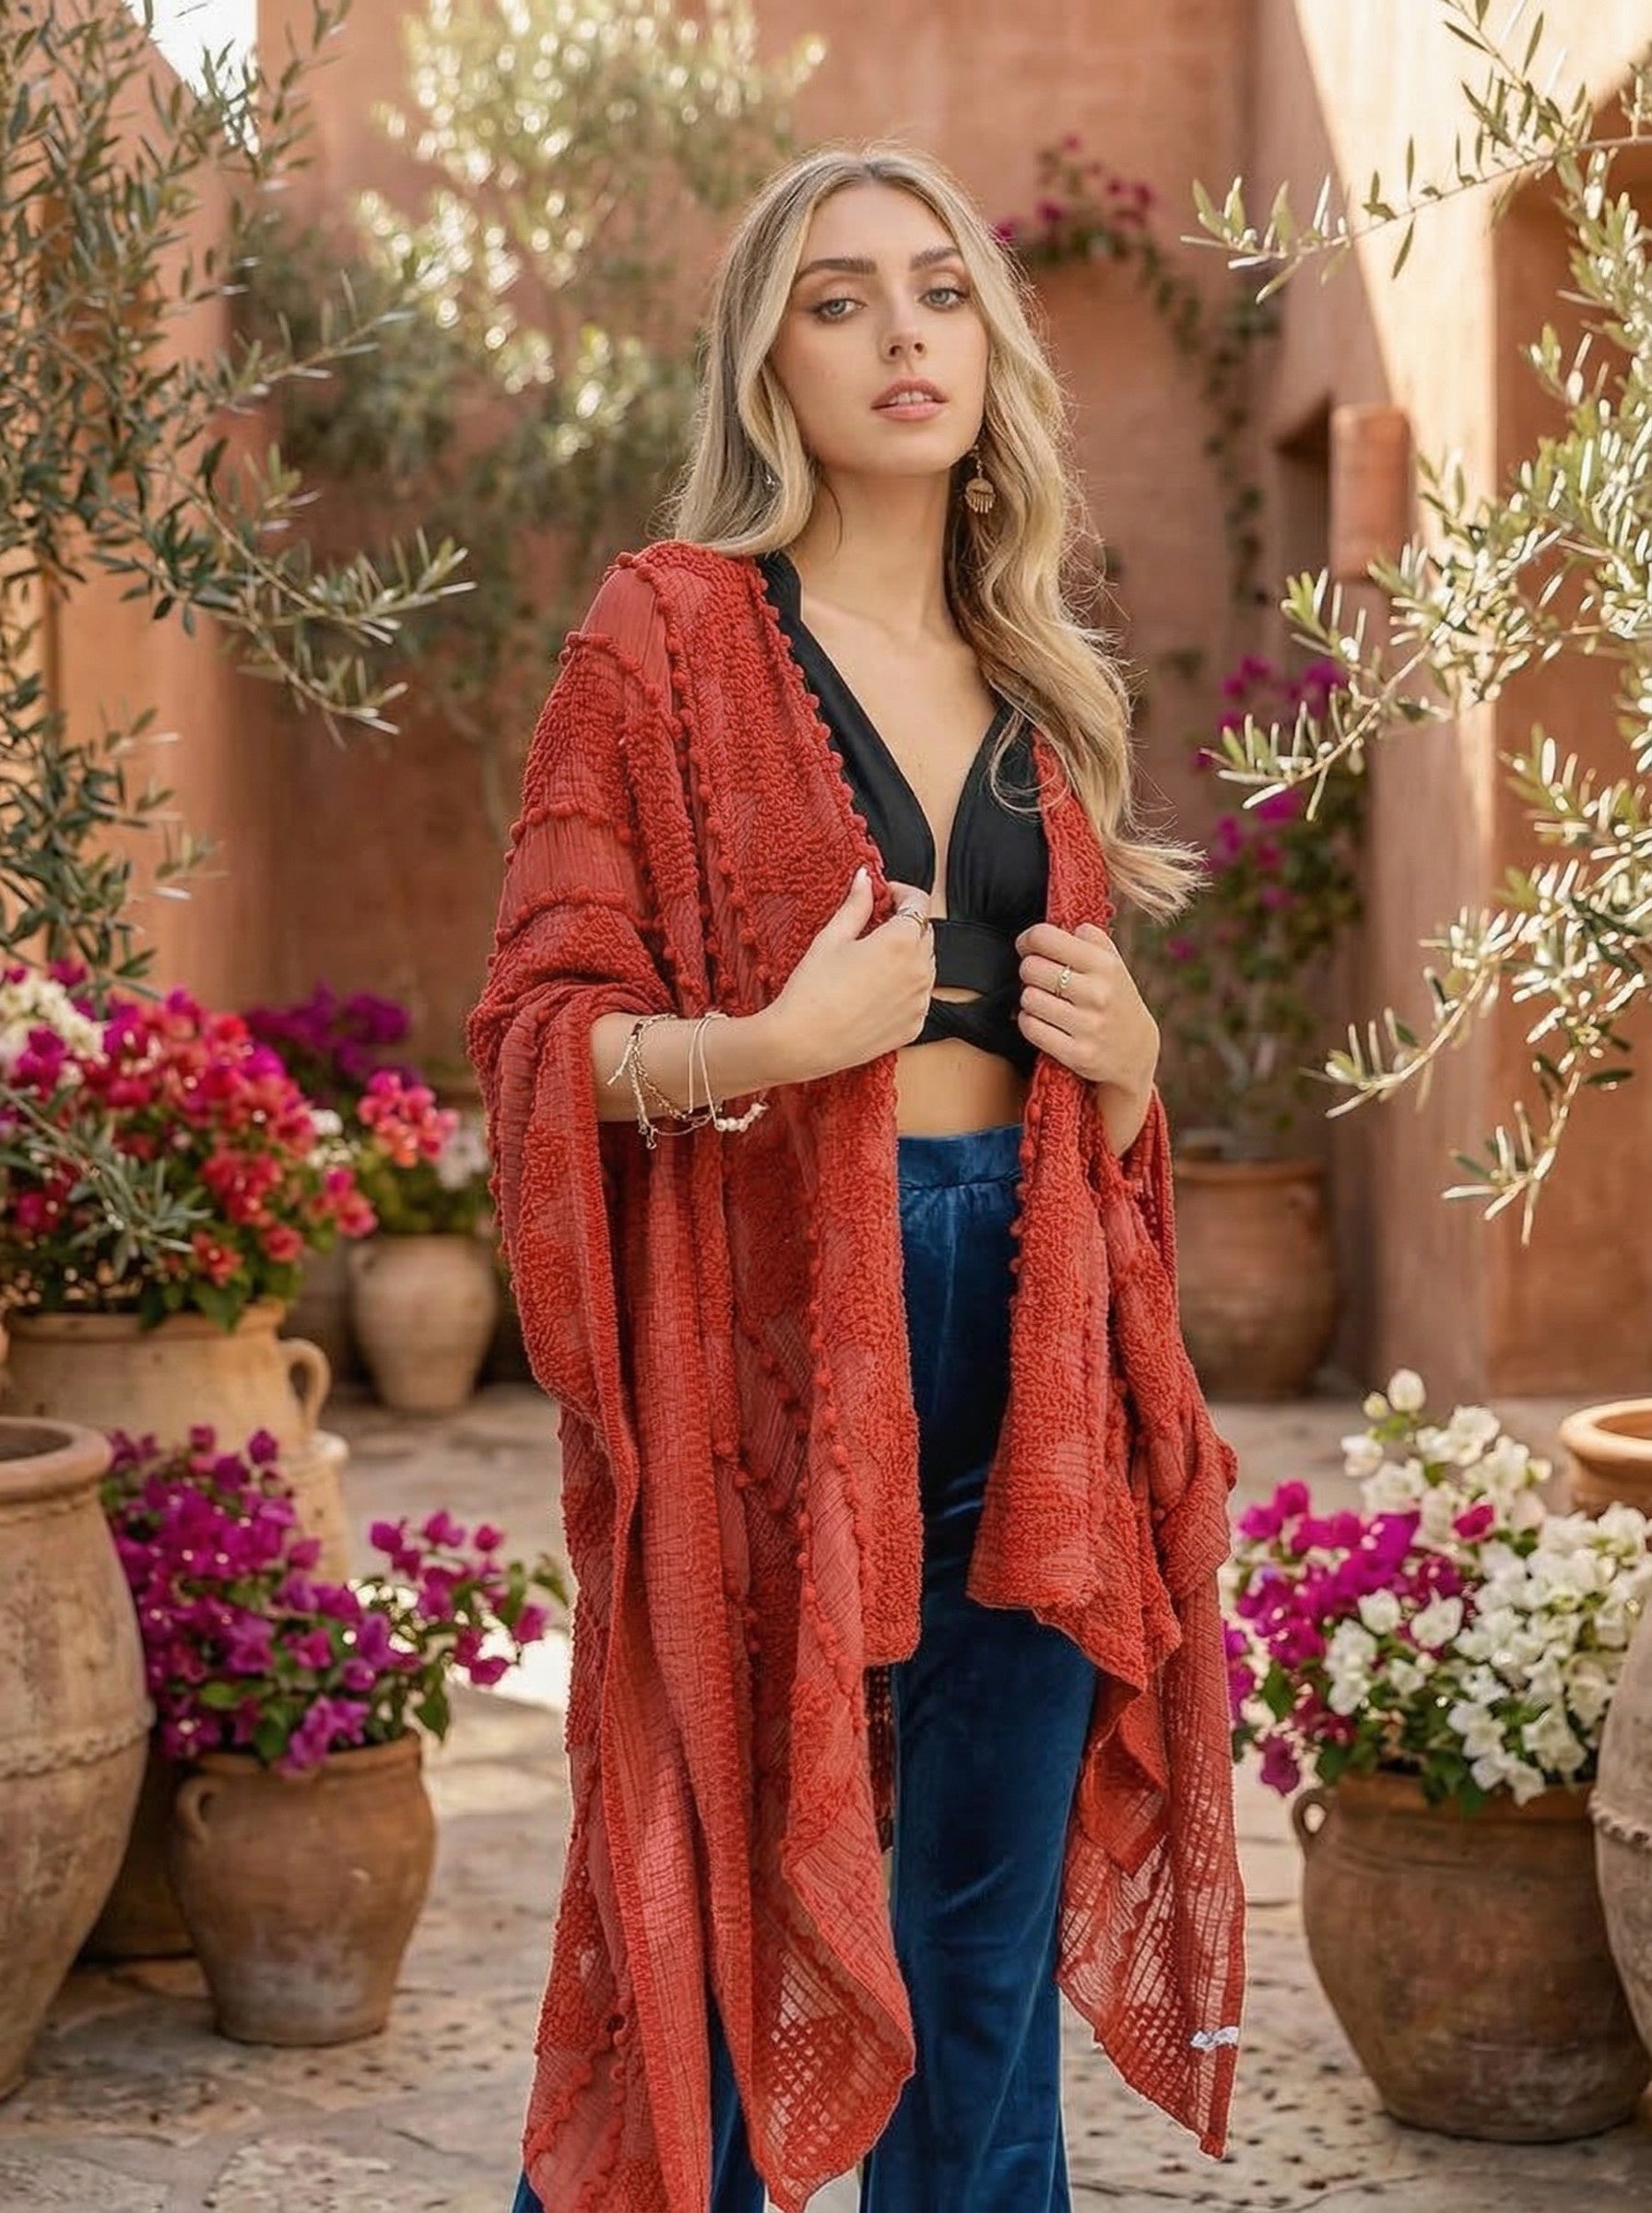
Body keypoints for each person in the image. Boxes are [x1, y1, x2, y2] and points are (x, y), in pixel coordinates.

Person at [467, 143, 1244, 2213]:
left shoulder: (1033, 683)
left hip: (1033, 1328)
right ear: (767, 369)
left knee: (970, 1949)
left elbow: (1068, 1042)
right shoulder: (669, 634)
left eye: (937, 290)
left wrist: (1136, 1067)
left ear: (987, 344)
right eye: (838, 301)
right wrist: (770, 1051)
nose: (902, 334)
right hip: (784, 1337)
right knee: (731, 1880)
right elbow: (536, 1033)